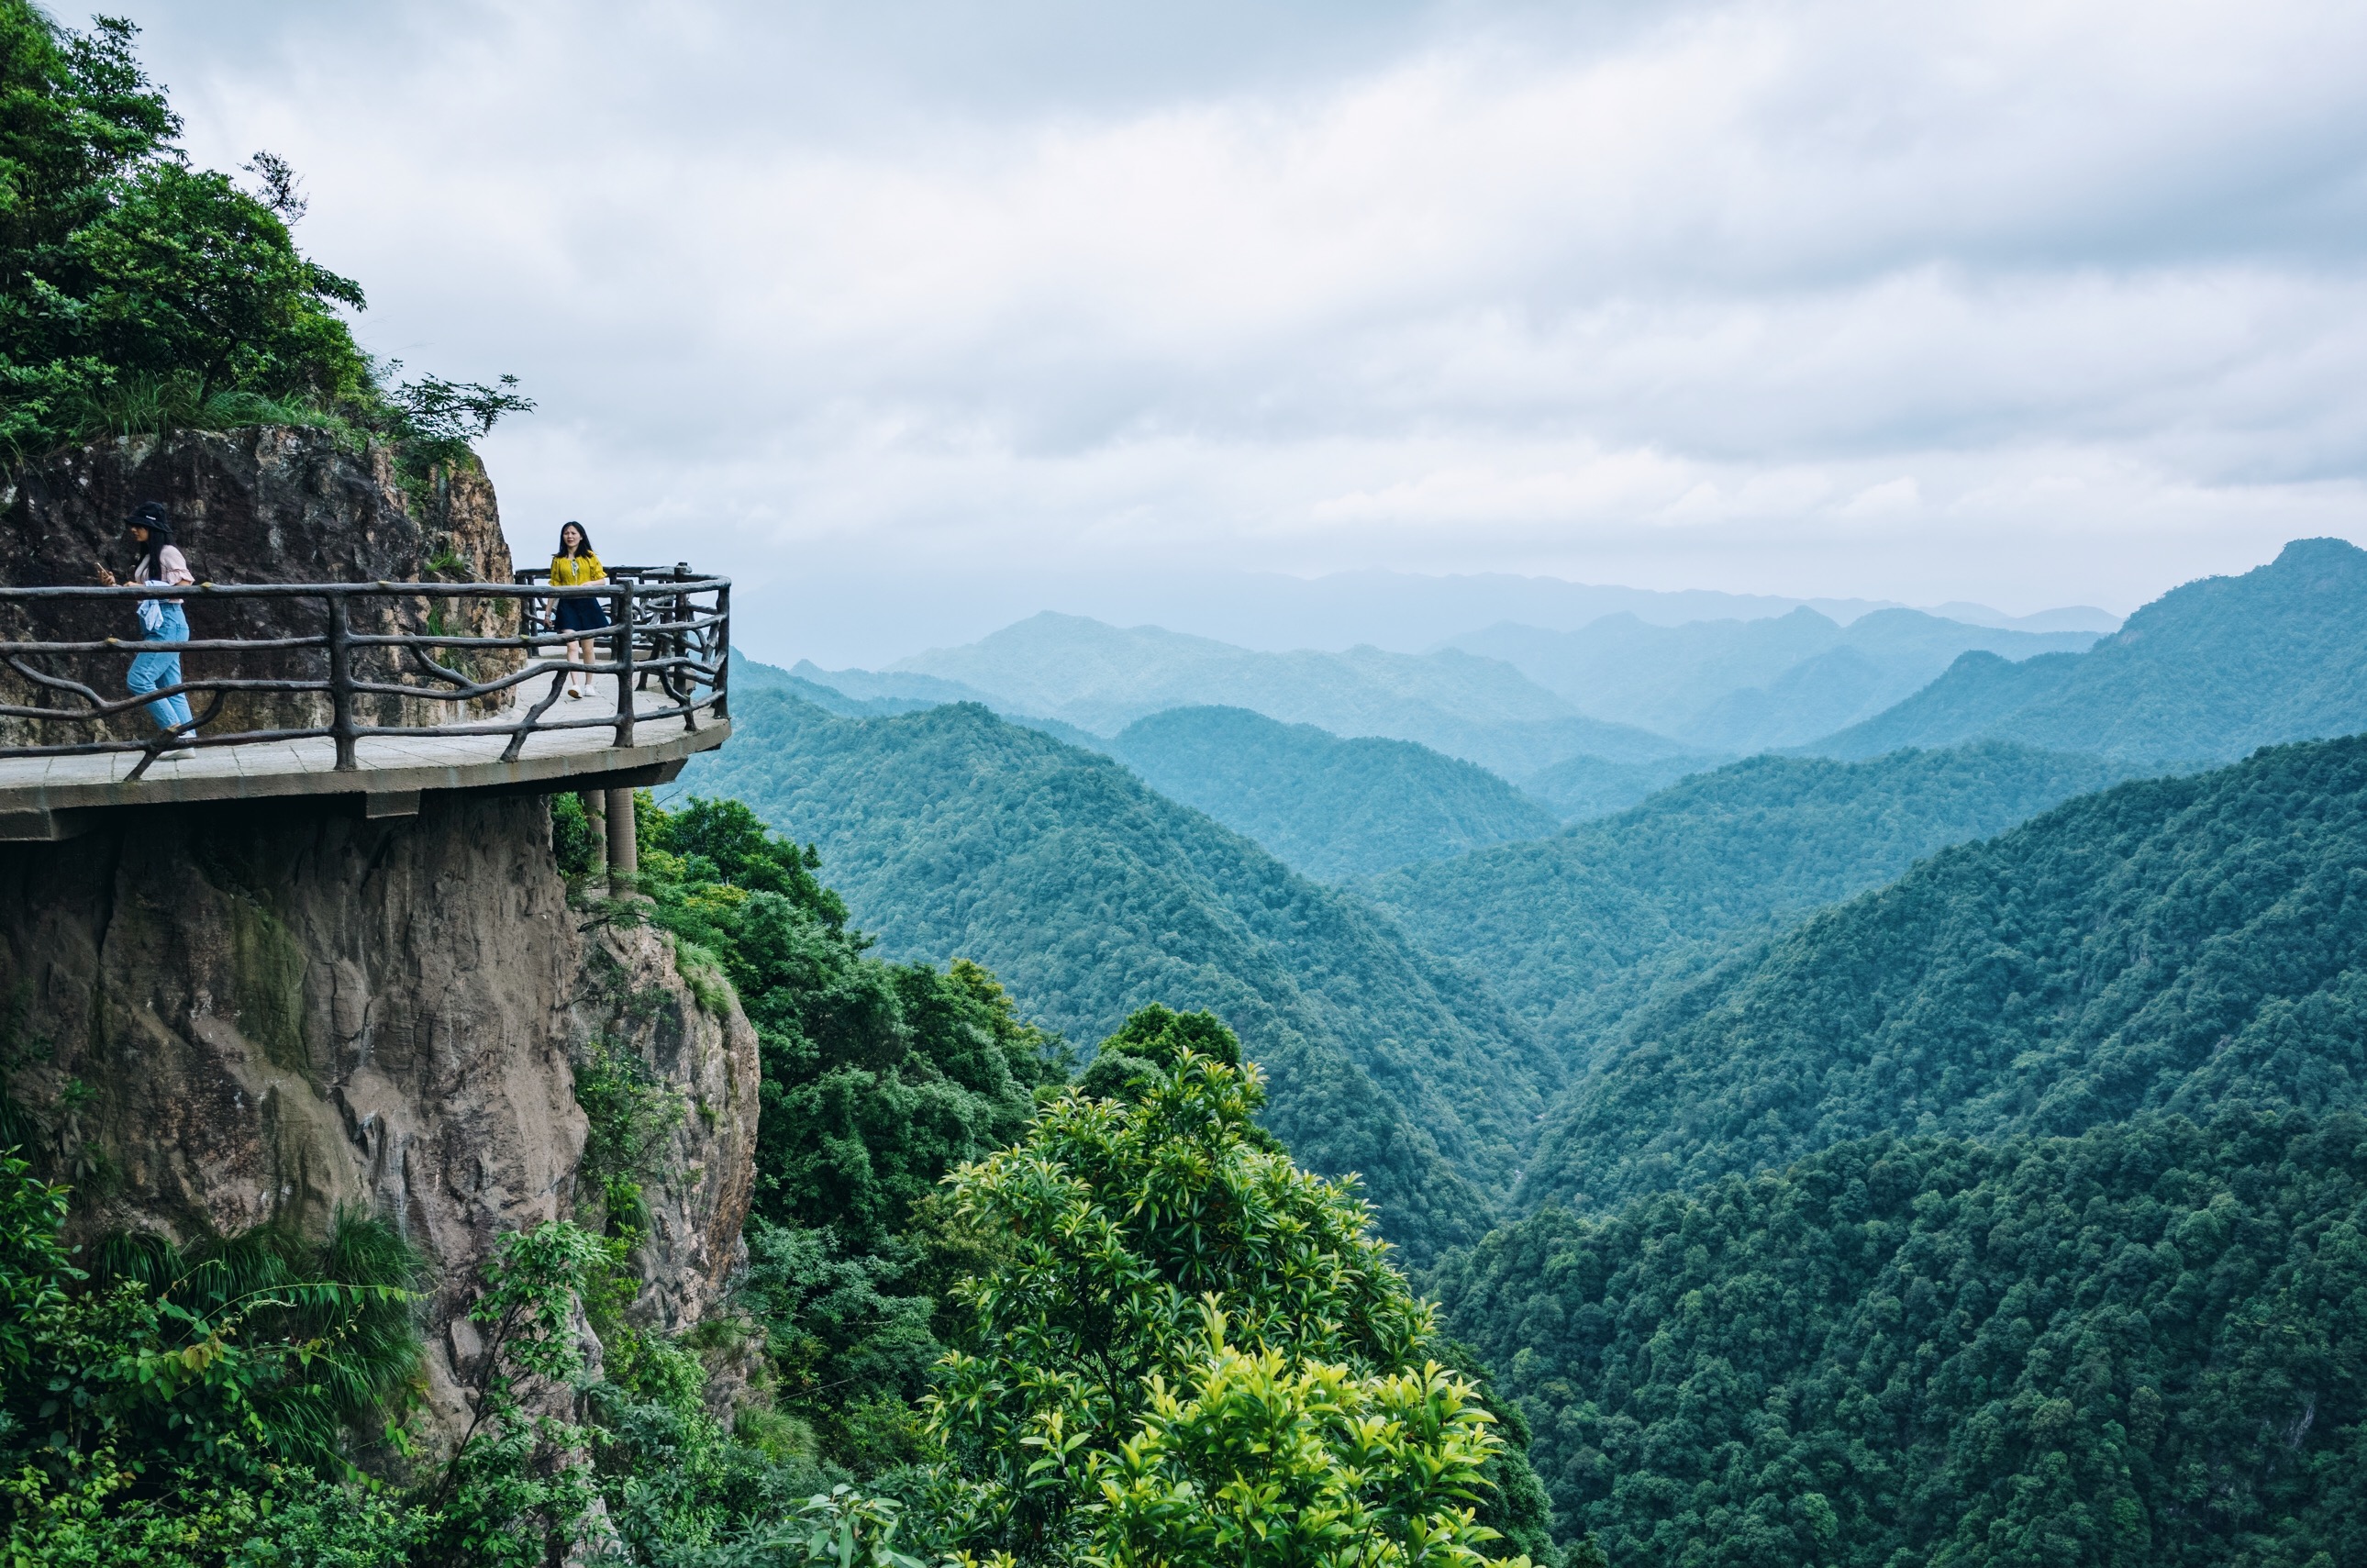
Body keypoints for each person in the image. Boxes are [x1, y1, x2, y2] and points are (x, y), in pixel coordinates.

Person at [94, 500, 197, 751]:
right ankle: (188, 743)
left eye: (139, 525)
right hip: (159, 624)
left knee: (139, 679)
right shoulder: (150, 554)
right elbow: (146, 591)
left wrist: (142, 587)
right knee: (171, 689)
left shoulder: (167, 552)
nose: (133, 529)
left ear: (153, 528)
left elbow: (185, 584)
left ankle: (175, 737)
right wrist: (115, 587)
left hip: (168, 622)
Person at [549, 520, 611, 699]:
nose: (570, 536)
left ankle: (589, 684)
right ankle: (575, 684)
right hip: (567, 605)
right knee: (571, 645)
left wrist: (590, 583)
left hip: (587, 604)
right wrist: (547, 612)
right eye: (566, 533)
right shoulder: (558, 559)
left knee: (588, 648)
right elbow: (554, 586)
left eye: (573, 533)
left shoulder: (590, 557)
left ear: (581, 536)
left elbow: (602, 580)